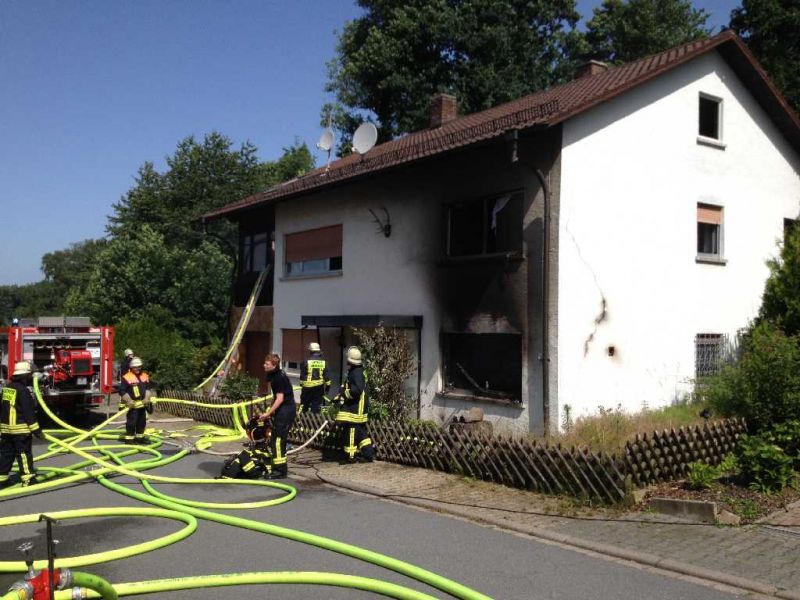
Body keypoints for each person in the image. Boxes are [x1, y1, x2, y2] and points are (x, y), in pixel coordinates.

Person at [0, 361, 42, 488]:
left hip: (6, 430)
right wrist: (37, 430)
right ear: (25, 376)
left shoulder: (8, 388)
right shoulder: (23, 391)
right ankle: (28, 479)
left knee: (7, 454)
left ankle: (2, 479)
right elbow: (28, 412)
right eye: (29, 375)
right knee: (23, 454)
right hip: (20, 430)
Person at [335, 346, 375, 463]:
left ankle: (350, 457)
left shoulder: (356, 373)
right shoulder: (357, 370)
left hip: (356, 407)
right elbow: (348, 386)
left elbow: (356, 390)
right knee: (361, 432)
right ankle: (368, 454)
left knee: (351, 429)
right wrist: (339, 395)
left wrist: (344, 394)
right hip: (358, 405)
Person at [259, 353, 296, 479]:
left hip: (286, 410)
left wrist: (268, 413)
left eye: (267, 364)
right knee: (275, 439)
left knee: (278, 440)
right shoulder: (273, 375)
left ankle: (280, 471)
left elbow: (280, 398)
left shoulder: (279, 377)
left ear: (274, 365)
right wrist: (271, 411)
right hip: (282, 410)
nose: (264, 365)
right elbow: (275, 397)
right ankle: (278, 467)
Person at [118, 357, 154, 444]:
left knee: (142, 422)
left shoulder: (144, 375)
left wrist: (147, 398)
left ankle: (139, 438)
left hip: (142, 404)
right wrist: (129, 401)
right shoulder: (127, 377)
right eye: (135, 367)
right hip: (133, 405)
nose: (137, 368)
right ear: (131, 367)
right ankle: (129, 439)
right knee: (132, 422)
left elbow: (148, 389)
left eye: (139, 366)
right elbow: (122, 391)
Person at [299, 342, 331, 414]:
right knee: (316, 406)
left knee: (305, 405)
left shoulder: (305, 361)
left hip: (307, 387)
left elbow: (302, 376)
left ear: (310, 351)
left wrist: (301, 385)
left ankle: (303, 420)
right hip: (318, 387)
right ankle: (314, 421)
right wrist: (327, 388)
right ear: (318, 351)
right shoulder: (323, 362)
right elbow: (327, 377)